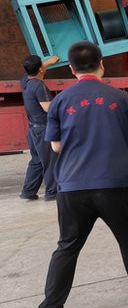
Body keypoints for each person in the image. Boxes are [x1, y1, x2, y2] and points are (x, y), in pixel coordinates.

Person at [35, 41, 128, 308]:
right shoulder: (119, 97)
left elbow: (55, 146)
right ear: (102, 63)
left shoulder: (61, 101)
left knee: (67, 246)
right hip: (112, 184)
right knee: (127, 237)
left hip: (72, 187)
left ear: (71, 69)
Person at [20, 55, 61, 201]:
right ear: (40, 70)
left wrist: (48, 63)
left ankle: (28, 191)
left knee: (37, 161)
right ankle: (52, 192)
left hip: (33, 130)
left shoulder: (25, 81)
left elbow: (33, 70)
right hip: (43, 130)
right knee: (51, 161)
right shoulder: (39, 86)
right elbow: (48, 108)